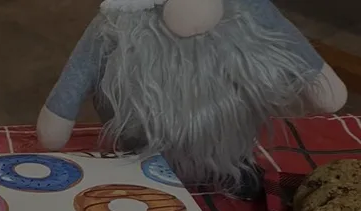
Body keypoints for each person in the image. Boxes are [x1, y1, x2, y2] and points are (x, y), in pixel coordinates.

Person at [37, 0, 348, 198]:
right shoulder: (119, 17)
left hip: (230, 139)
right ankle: (152, 164)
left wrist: (321, 82)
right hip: (142, 142)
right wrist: (58, 115)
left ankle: (234, 167)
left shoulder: (247, 6)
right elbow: (83, 67)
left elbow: (287, 39)